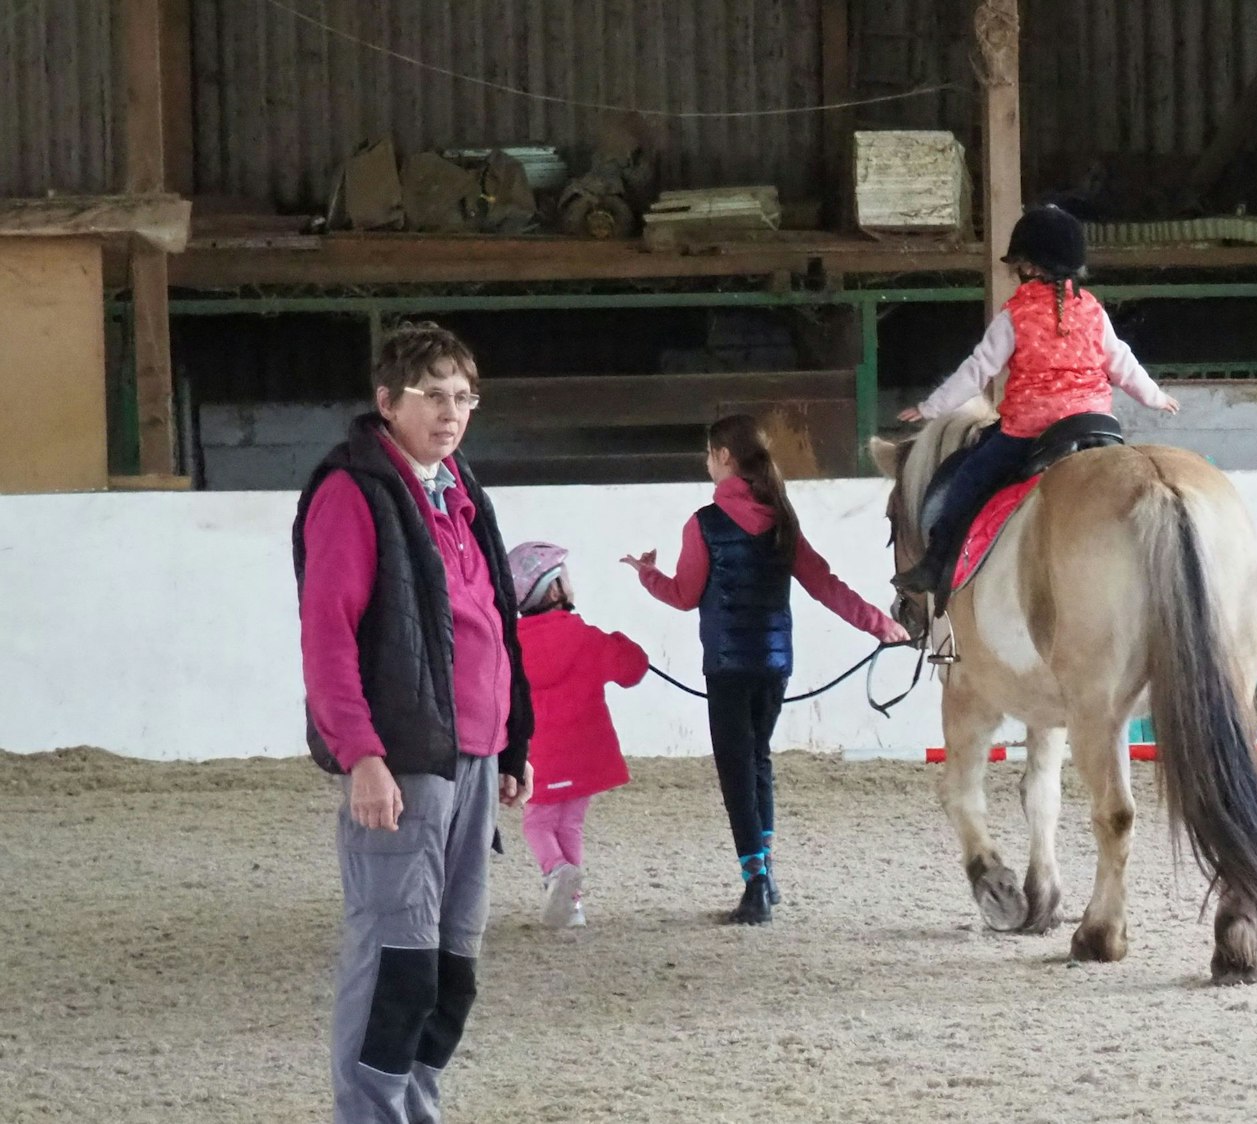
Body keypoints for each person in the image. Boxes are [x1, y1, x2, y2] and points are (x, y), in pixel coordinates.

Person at [294, 321, 533, 1124]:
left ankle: (414, 1109)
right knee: (396, 958)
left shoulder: (459, 488)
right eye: (433, 395)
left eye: (464, 396)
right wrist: (361, 755)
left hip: (470, 754)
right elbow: (327, 634)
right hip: (404, 760)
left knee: (449, 967)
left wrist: (514, 738)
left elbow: (497, 617)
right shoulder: (352, 492)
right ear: (386, 401)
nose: (451, 411)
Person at [623, 415, 909, 924]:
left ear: (725, 458)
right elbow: (826, 584)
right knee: (759, 761)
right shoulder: (783, 519)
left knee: (736, 772)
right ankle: (768, 872)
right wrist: (879, 624)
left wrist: (648, 575)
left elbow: (686, 596)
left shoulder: (705, 523)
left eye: (710, 455)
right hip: (776, 663)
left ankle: (755, 880)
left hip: (727, 665)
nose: (708, 463)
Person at [890, 203, 1182, 594]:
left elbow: (978, 370)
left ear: (1027, 266)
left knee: (967, 480)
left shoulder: (1015, 315)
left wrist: (931, 407)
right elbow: (1120, 361)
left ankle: (936, 561)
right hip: (1097, 423)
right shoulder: (1094, 310)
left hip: (1032, 430)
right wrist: (1153, 396)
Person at [507, 541, 649, 930]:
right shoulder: (586, 637)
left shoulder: (511, 646)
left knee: (537, 823)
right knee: (569, 824)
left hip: (540, 759)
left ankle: (556, 871)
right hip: (585, 757)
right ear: (553, 590)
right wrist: (619, 639)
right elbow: (633, 669)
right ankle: (573, 906)